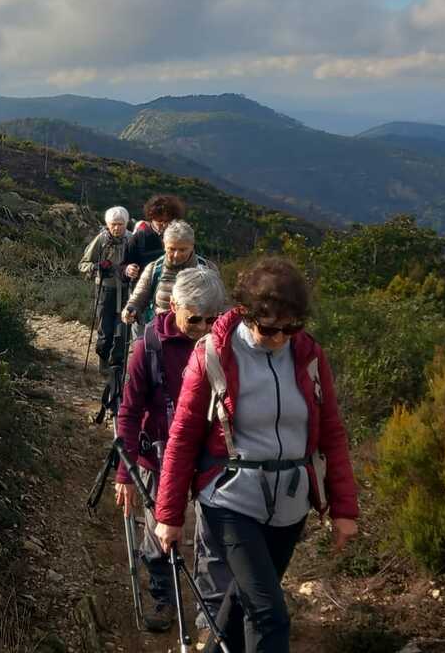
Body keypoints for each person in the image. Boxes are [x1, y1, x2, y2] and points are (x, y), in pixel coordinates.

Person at [154, 257, 360, 653]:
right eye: (268, 328)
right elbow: (183, 436)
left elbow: (332, 433)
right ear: (246, 314)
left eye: (291, 328)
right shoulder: (213, 354)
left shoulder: (309, 355)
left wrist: (344, 508)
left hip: (290, 505)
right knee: (269, 613)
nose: (280, 338)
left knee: (244, 602)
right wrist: (169, 515)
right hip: (230, 499)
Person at [115, 267, 231, 634]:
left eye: (212, 319)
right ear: (174, 306)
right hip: (157, 457)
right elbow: (129, 412)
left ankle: (208, 616)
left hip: (210, 459)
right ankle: (165, 597)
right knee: (159, 533)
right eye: (195, 319)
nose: (203, 327)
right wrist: (125, 473)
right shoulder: (148, 347)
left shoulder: (226, 344)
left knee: (209, 539)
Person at [124, 221, 217, 330]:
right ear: (164, 245)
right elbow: (139, 297)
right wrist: (131, 309)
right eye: (172, 249)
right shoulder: (154, 269)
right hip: (161, 331)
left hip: (197, 332)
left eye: (182, 250)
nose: (177, 255)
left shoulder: (208, 268)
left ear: (192, 246)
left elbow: (222, 304)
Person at [78, 206, 131, 363]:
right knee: (105, 329)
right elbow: (83, 264)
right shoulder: (101, 240)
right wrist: (97, 267)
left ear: (126, 224)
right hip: (105, 289)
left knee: (122, 331)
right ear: (108, 224)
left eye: (120, 224)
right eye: (113, 224)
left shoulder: (132, 239)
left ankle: (117, 365)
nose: (117, 228)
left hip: (127, 290)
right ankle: (103, 359)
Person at [125, 194, 187, 280]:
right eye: (160, 221)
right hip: (145, 285)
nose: (164, 225)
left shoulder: (182, 237)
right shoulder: (139, 237)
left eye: (167, 221)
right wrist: (128, 269)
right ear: (151, 218)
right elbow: (124, 264)